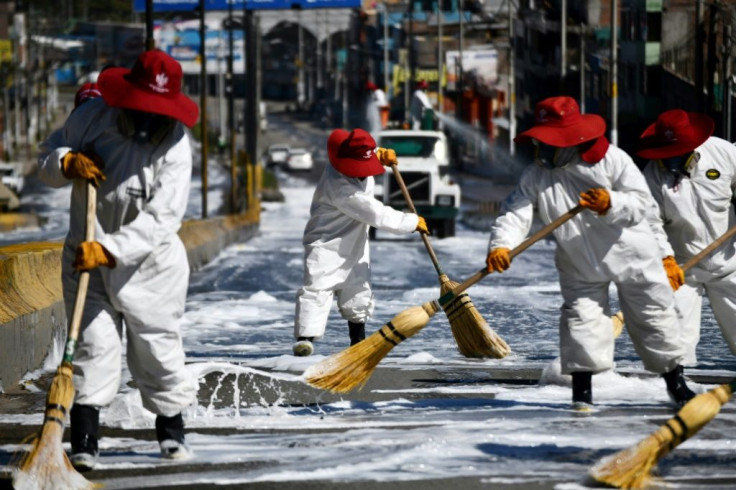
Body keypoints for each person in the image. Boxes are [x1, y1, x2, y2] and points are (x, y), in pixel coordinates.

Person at [37, 49, 199, 470]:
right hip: (85, 259)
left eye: (156, 113)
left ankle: (170, 431)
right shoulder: (91, 117)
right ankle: (85, 442)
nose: (147, 121)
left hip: (151, 267)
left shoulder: (178, 145)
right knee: (93, 348)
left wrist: (110, 249)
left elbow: (164, 217)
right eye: (140, 110)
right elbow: (47, 155)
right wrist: (66, 162)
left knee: (157, 351)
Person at [486, 96, 695, 410]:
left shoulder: (611, 160)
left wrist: (611, 203)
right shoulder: (537, 175)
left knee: (654, 318)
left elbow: (642, 204)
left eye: (548, 144)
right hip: (578, 258)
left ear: (569, 140)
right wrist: (502, 245)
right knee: (581, 324)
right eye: (539, 143)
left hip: (633, 255)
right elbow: (516, 211)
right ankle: (581, 396)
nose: (541, 151)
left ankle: (676, 386)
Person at [293, 128, 429, 356]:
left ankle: (357, 340)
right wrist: (411, 221)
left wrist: (378, 153)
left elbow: (364, 153)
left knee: (358, 287)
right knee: (317, 288)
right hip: (326, 242)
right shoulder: (340, 187)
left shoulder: (357, 159)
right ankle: (305, 339)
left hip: (356, 238)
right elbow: (376, 214)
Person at [637, 109, 736, 365]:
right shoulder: (653, 175)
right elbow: (651, 222)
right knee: (674, 348)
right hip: (682, 270)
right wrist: (665, 258)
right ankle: (679, 395)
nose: (670, 162)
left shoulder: (724, 154)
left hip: (730, 265)